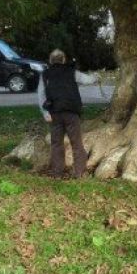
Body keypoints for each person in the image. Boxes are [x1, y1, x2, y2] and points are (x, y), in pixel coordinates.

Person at [38, 49, 98, 178]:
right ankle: (79, 173)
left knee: (56, 143)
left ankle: (57, 173)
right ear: (64, 59)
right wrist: (96, 77)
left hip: (54, 112)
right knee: (76, 143)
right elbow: (88, 80)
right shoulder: (72, 72)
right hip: (72, 112)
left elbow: (41, 94)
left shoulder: (45, 75)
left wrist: (45, 112)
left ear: (50, 61)